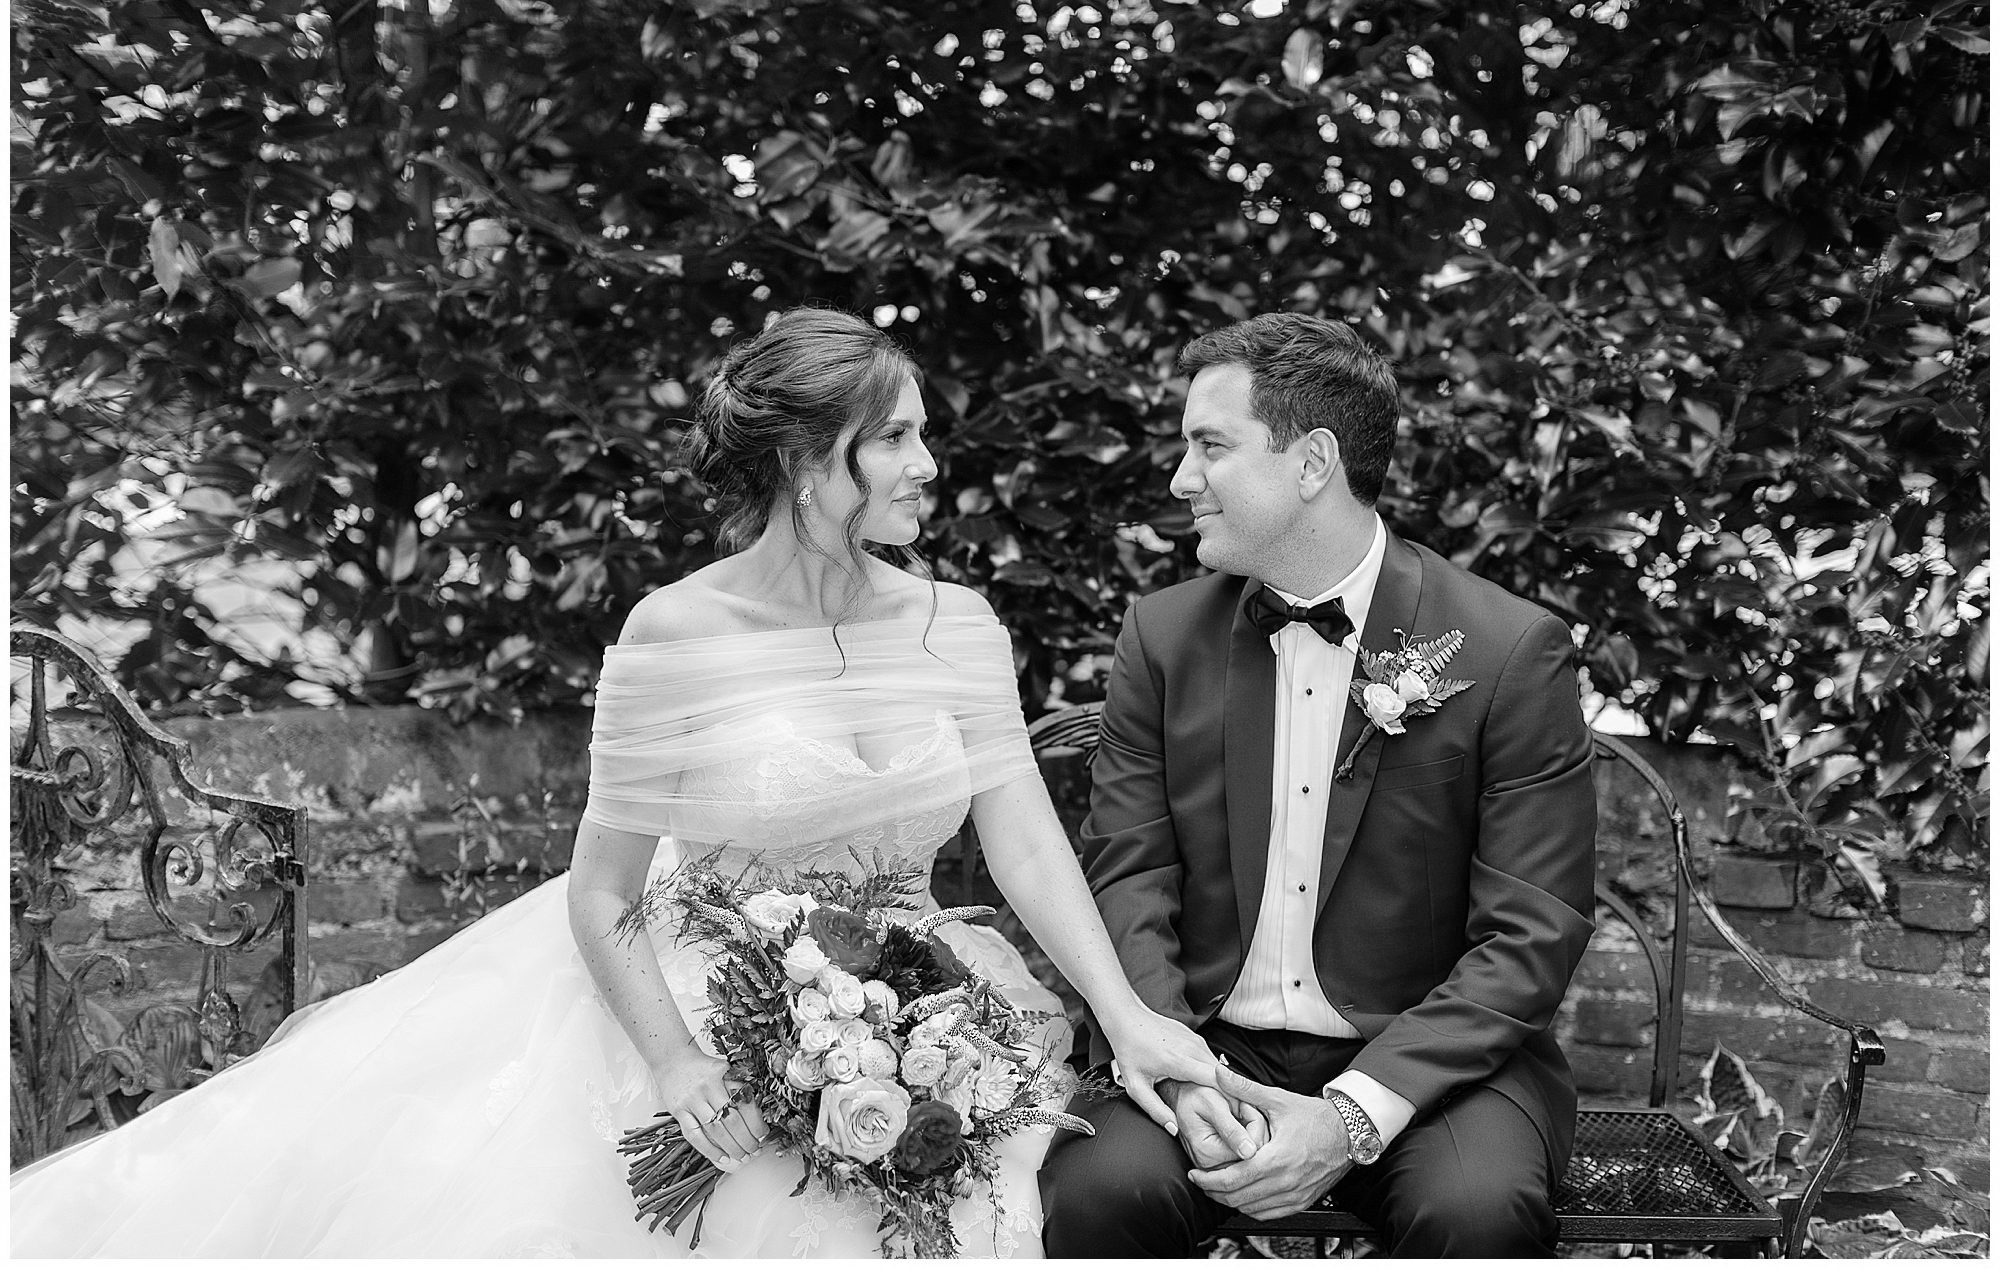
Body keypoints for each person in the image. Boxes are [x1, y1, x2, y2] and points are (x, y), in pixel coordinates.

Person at [10, 306, 1217, 1258]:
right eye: (894, 438)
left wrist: (1126, 1016)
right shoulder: (674, 634)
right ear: (807, 459)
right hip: (700, 1003)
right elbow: (603, 891)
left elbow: (1025, 843)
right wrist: (681, 1065)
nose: (926, 464)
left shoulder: (957, 625)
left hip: (924, 1005)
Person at [1039, 312, 1599, 1258]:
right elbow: (1128, 875)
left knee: (1476, 1213)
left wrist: (1350, 1115)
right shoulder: (1161, 639)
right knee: (1100, 1192)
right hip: (1204, 1038)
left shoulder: (1508, 649)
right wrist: (1176, 1065)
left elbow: (1531, 930)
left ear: (1312, 462)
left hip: (1432, 1062)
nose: (1181, 479)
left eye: (1210, 446)